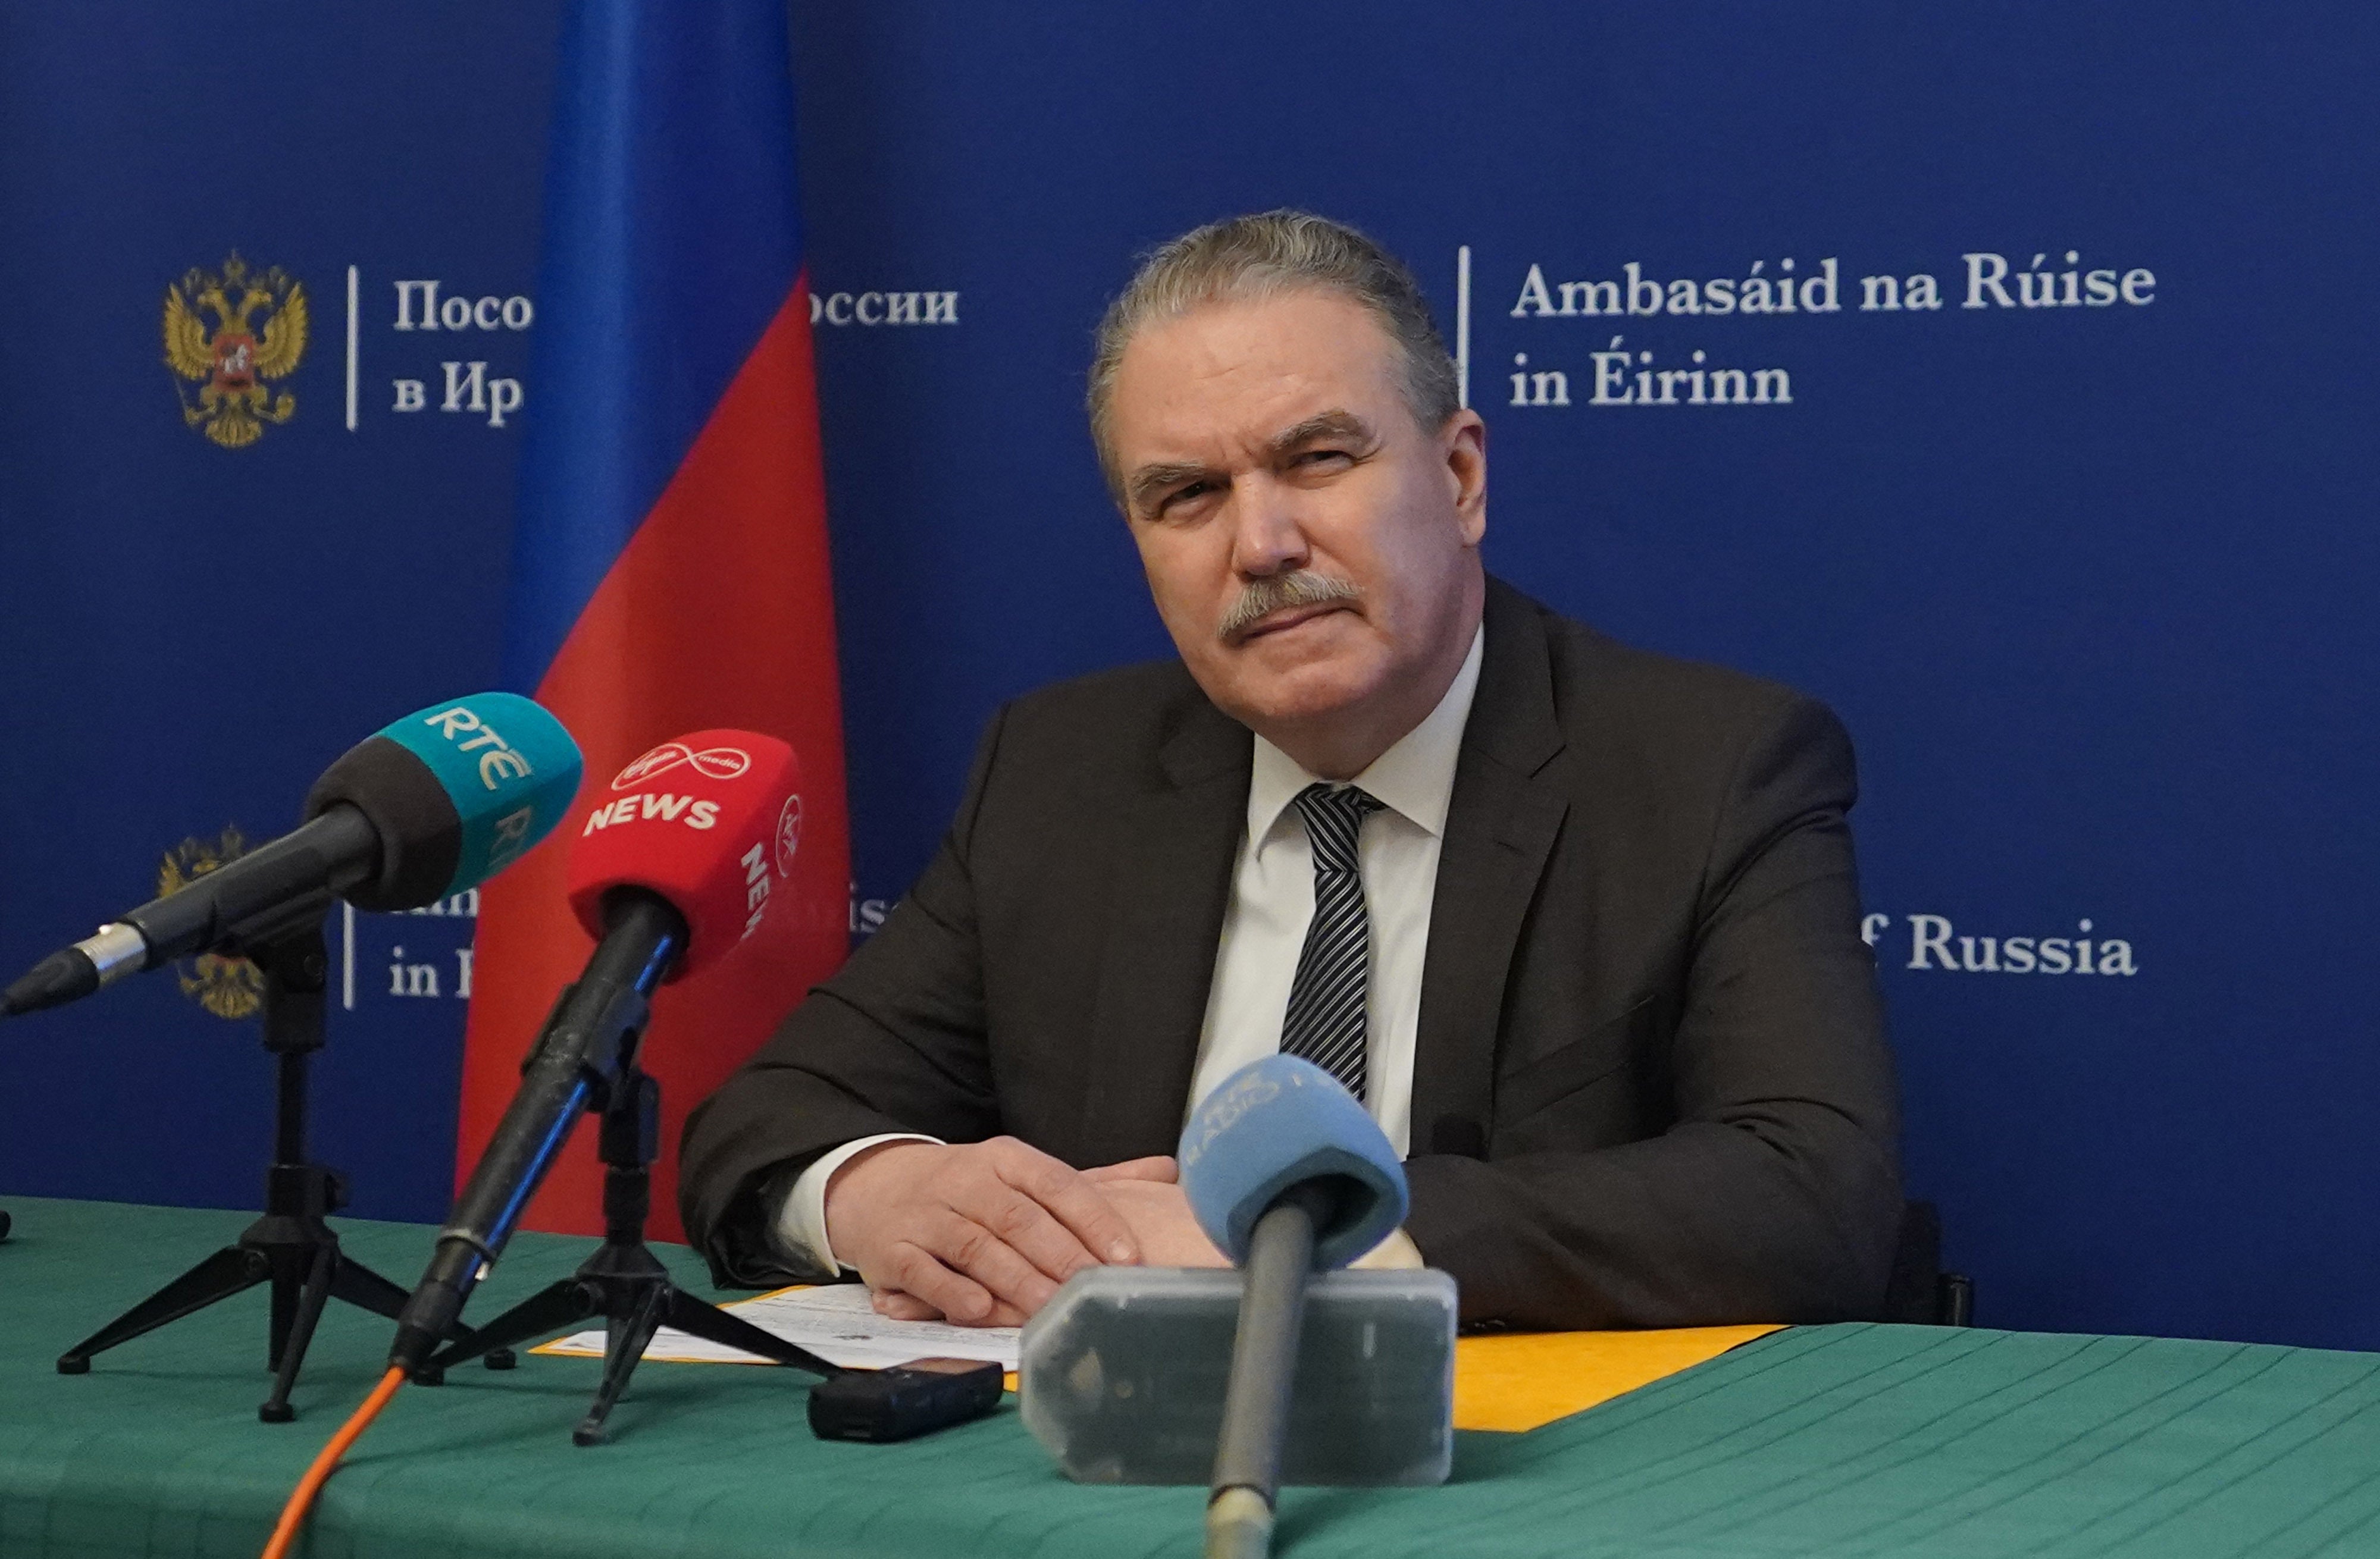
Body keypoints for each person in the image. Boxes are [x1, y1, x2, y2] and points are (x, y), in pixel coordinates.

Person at [680, 210, 1902, 1332]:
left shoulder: (1705, 766)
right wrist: (885, 1195)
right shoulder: (1058, 777)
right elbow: (759, 1125)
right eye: (1188, 496)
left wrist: (1289, 1244)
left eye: (1316, 458)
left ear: (1460, 478)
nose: (1260, 544)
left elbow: (1807, 1193)